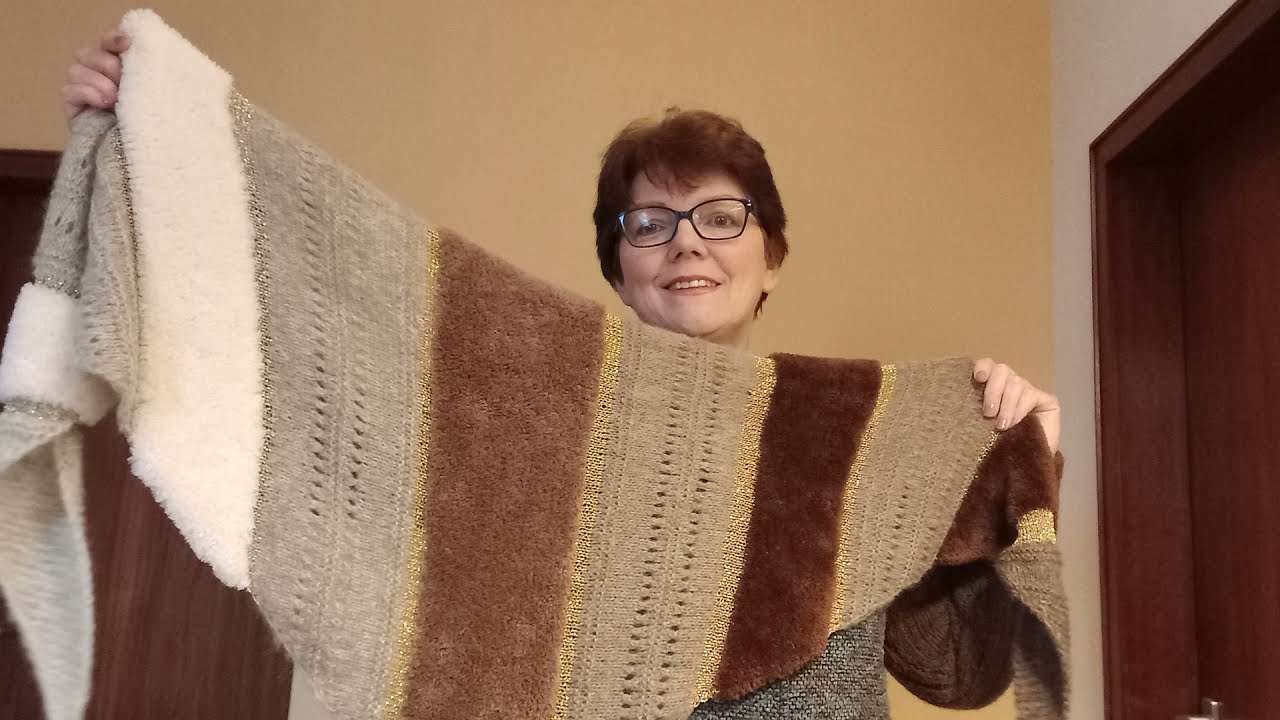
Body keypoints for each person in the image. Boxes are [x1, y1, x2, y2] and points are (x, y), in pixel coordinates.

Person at [60, 30, 1061, 452]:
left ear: (772, 261)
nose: (686, 246)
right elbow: (318, 355)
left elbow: (951, 668)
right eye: (649, 224)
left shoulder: (848, 436)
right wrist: (156, 145)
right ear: (618, 269)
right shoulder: (544, 423)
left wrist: (1016, 457)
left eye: (720, 218)